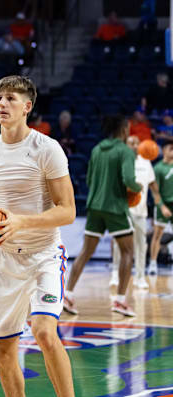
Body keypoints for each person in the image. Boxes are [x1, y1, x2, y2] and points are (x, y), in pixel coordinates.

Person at [0, 75, 75, 396]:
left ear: (27, 106)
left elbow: (67, 210)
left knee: (44, 331)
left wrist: (20, 222)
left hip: (44, 255)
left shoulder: (47, 149)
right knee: (3, 347)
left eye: (11, 98)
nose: (3, 103)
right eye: (0, 97)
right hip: (5, 261)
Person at [64, 115, 142, 317]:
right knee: (128, 252)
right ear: (124, 129)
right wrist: (137, 187)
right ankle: (121, 301)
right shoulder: (125, 151)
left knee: (85, 252)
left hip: (94, 205)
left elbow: (89, 179)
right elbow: (128, 179)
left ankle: (68, 294)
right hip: (115, 207)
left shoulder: (97, 149)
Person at [111, 136, 164, 290]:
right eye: (131, 143)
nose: (134, 145)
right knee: (118, 244)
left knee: (141, 246)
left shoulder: (146, 162)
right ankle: (115, 273)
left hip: (141, 212)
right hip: (123, 210)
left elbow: (153, 184)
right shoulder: (119, 160)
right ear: (125, 145)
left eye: (136, 143)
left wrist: (158, 201)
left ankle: (140, 277)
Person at [148, 141, 173, 276]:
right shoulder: (158, 168)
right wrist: (162, 206)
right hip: (164, 203)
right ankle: (153, 264)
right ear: (164, 150)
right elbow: (155, 192)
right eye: (171, 148)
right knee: (157, 235)